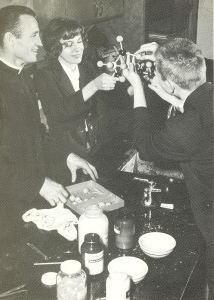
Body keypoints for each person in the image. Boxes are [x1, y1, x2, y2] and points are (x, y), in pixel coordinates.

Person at [0, 5, 98, 245]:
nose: (40, 43)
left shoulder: (24, 77)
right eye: (33, 35)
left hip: (29, 200)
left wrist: (66, 156)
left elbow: (36, 135)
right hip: (3, 210)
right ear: (10, 39)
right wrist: (37, 184)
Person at [123, 38, 214, 298]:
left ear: (171, 83)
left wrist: (137, 86)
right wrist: (165, 63)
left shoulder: (184, 130)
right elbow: (196, 106)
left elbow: (144, 143)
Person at [34, 18, 120, 183]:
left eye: (79, 41)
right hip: (66, 156)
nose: (77, 49)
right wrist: (94, 85)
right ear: (55, 47)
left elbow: (111, 99)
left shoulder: (86, 67)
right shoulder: (44, 75)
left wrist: (130, 85)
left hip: (94, 150)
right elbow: (60, 111)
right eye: (68, 44)